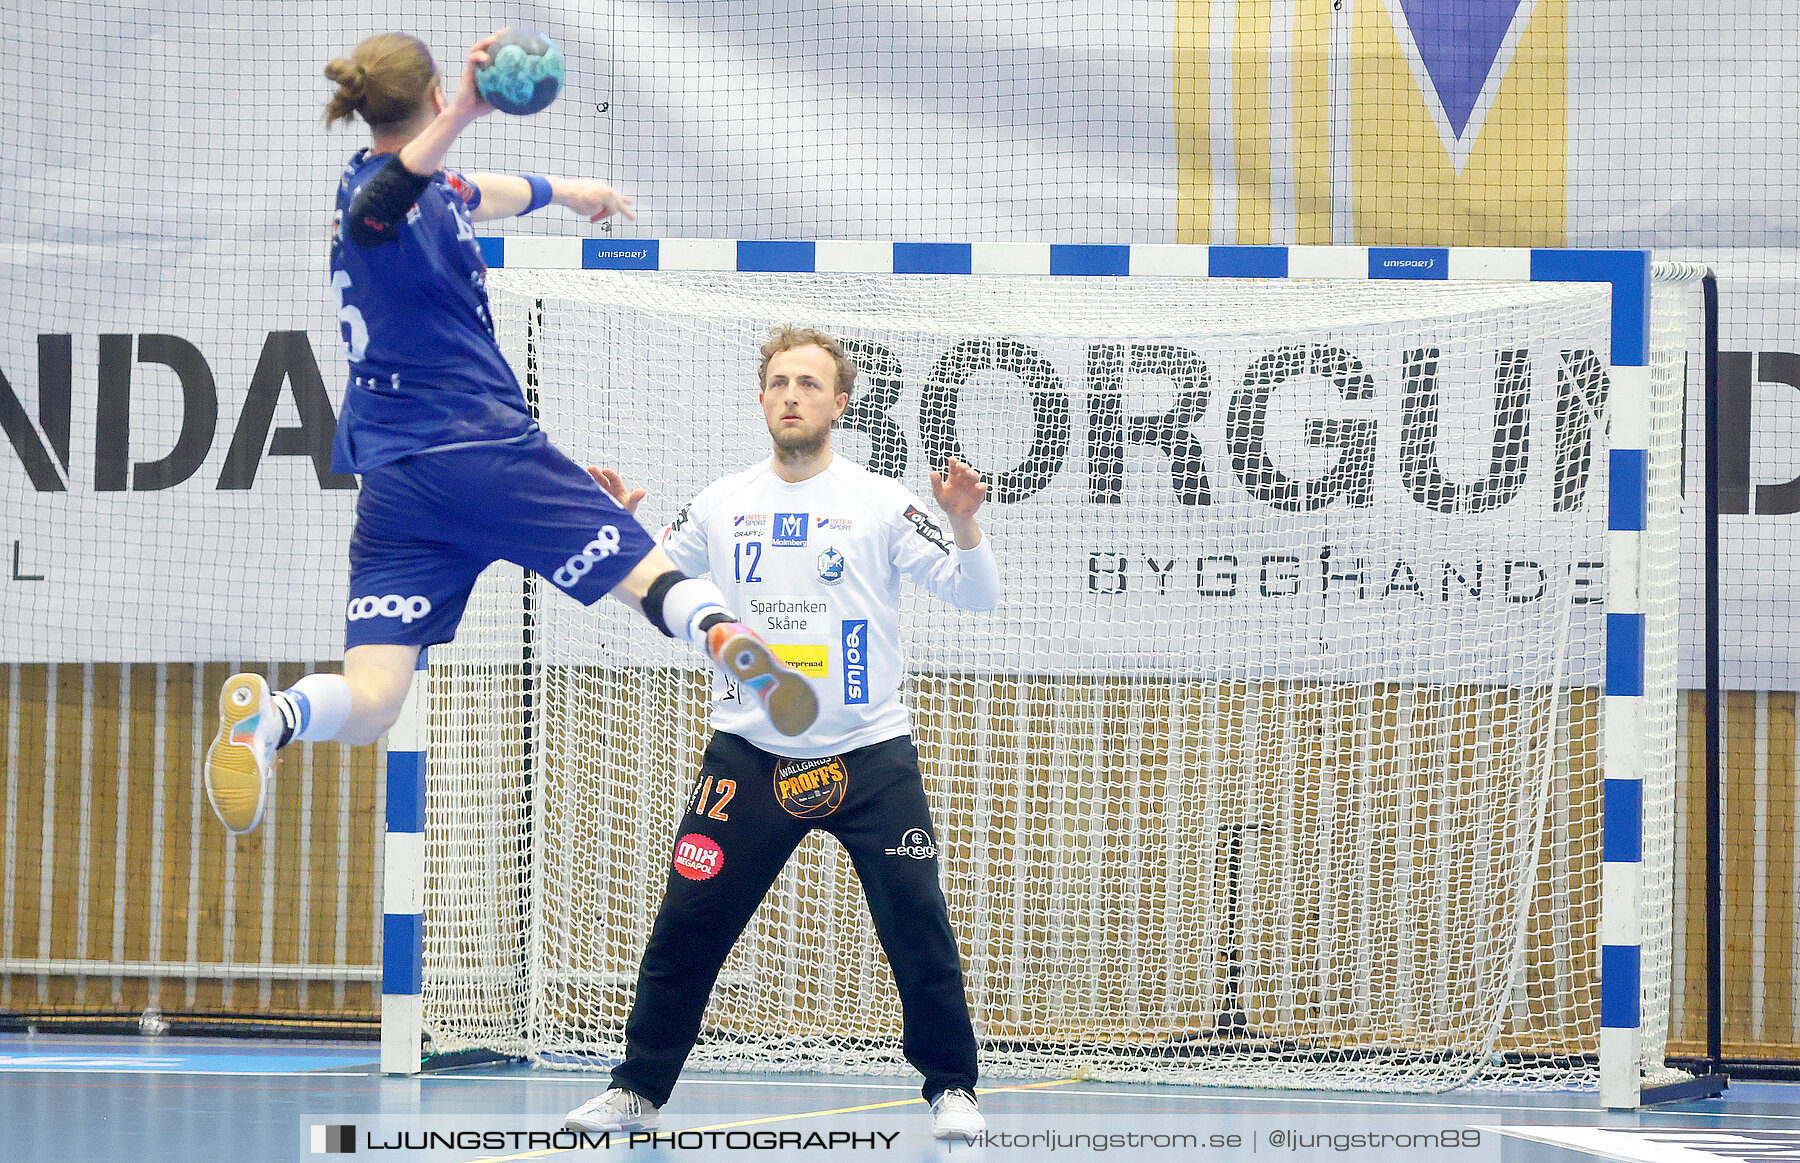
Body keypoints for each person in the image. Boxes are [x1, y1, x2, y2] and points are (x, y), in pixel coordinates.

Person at [201, 32, 815, 835]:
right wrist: (468, 106)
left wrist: (567, 190)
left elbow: (475, 189)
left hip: (400, 488)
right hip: (484, 450)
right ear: (428, 101)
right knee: (640, 570)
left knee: (374, 700)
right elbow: (391, 197)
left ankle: (271, 721)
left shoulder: (417, 189)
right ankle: (723, 632)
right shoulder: (373, 209)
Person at [564, 328, 999, 1142]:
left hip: (870, 754)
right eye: (778, 381)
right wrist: (618, 536)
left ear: (840, 402)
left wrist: (965, 525)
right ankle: (639, 1089)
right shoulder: (723, 502)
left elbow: (974, 596)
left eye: (809, 382)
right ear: (762, 398)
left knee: (916, 919)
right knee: (688, 921)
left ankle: (952, 1088)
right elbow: (642, 593)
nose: (792, 394)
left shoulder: (882, 502)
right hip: (749, 755)